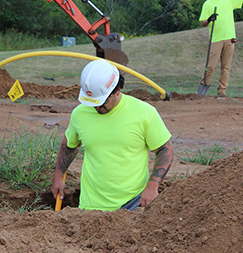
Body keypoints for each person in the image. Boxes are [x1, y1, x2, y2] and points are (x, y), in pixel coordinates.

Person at [51, 59, 173, 211]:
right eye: (92, 102)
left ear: (117, 91)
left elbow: (165, 149)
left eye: (102, 102)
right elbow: (69, 146)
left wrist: (153, 185)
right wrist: (58, 175)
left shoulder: (144, 113)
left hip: (132, 204)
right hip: (89, 207)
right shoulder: (80, 114)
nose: (97, 107)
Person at [197, 0, 243, 97]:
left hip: (230, 38)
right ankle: (203, 88)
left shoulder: (228, 1)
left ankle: (221, 92)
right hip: (216, 39)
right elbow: (202, 23)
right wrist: (209, 19)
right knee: (211, 66)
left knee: (226, 67)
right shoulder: (208, 4)